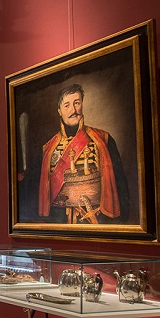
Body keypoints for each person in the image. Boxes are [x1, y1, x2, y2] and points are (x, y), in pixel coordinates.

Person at [38, 83, 129, 224]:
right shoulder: (48, 149)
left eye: (77, 103)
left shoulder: (103, 139)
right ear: (59, 111)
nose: (73, 110)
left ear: (82, 105)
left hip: (96, 220)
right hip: (59, 221)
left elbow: (120, 185)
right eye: (67, 105)